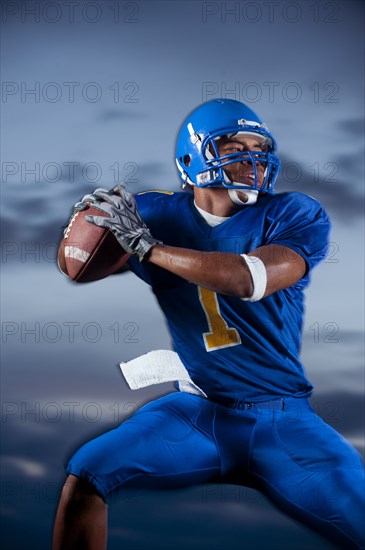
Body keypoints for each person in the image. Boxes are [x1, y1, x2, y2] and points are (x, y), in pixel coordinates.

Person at [53, 99, 365, 549]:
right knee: (87, 473)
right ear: (190, 161)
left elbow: (248, 278)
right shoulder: (155, 213)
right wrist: (84, 231)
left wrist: (150, 249)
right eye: (233, 145)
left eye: (259, 147)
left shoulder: (292, 213)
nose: (251, 158)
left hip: (281, 418)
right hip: (198, 411)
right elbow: (76, 266)